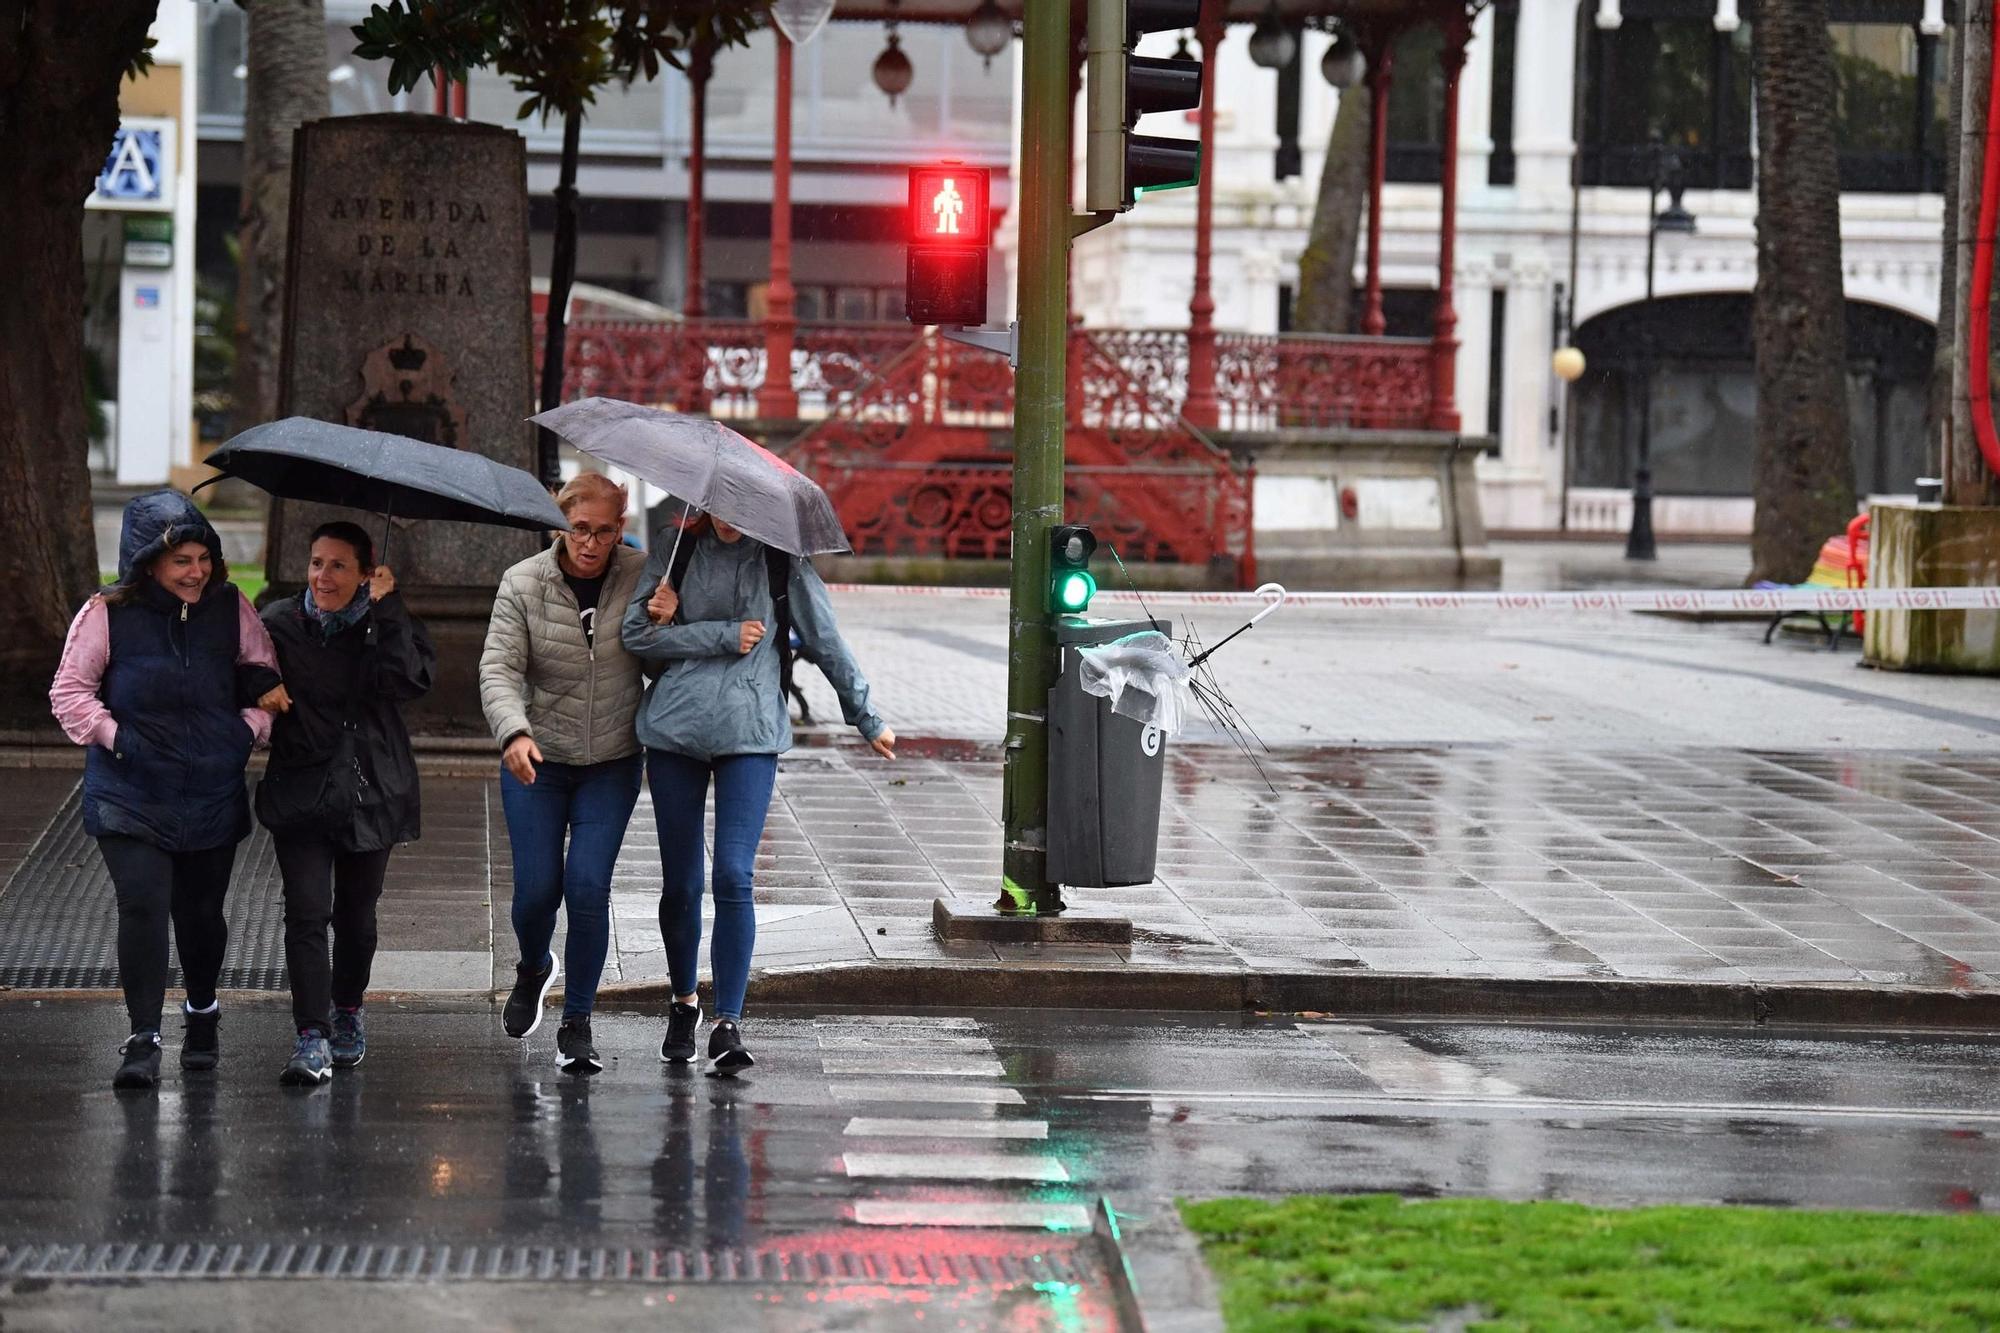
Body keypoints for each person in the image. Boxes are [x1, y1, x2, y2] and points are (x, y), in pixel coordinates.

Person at [623, 513, 895, 1076]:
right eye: (720, 505)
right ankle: (683, 1002)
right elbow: (635, 635)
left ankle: (727, 1020)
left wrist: (866, 717)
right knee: (681, 879)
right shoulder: (676, 549)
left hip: (749, 733)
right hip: (675, 729)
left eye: (741, 507)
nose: (729, 518)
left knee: (732, 875)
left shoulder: (780, 561)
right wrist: (716, 633)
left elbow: (824, 639)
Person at [49, 489, 281, 1090]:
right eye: (182, 560)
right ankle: (143, 1037)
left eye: (204, 558)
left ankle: (202, 1012)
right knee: (144, 907)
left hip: (211, 788)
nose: (196, 571)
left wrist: (245, 733)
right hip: (130, 790)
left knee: (201, 914)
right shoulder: (105, 612)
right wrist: (117, 737)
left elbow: (265, 681)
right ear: (148, 560)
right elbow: (70, 692)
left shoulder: (233, 609)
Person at [480, 473, 648, 1075]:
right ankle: (532, 966)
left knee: (586, 887)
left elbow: (660, 655)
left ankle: (578, 1020)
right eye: (581, 528)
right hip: (538, 760)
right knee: (535, 893)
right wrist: (514, 732)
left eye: (605, 531)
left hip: (612, 759)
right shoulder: (522, 582)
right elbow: (498, 668)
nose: (592, 543)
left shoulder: (642, 574)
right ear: (561, 525)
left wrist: (666, 616)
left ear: (619, 529)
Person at [256, 521, 435, 1086]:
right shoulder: (279, 622)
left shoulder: (386, 622)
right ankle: (310, 1036)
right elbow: (238, 667)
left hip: (371, 789)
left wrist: (389, 611)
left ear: (365, 573)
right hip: (302, 788)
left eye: (338, 565)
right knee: (307, 913)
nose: (323, 576)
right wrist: (255, 687)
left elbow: (407, 681)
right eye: (315, 562)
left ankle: (348, 1012)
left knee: (356, 918)